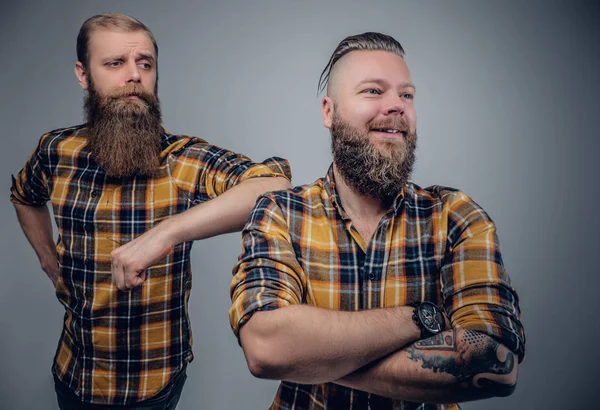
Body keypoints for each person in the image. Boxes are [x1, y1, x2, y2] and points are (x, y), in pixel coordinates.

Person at [229, 32, 525, 409]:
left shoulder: (456, 217)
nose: (397, 106)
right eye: (373, 91)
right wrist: (423, 318)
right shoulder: (280, 213)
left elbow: (494, 363)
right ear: (329, 111)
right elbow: (266, 348)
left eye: (407, 94)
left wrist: (312, 359)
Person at [10, 13, 291, 409]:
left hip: (151, 385)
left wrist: (165, 233)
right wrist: (46, 256)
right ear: (83, 74)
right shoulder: (56, 151)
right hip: (73, 372)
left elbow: (274, 186)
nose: (134, 76)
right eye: (115, 64)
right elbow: (24, 194)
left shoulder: (181, 159)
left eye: (145, 63)